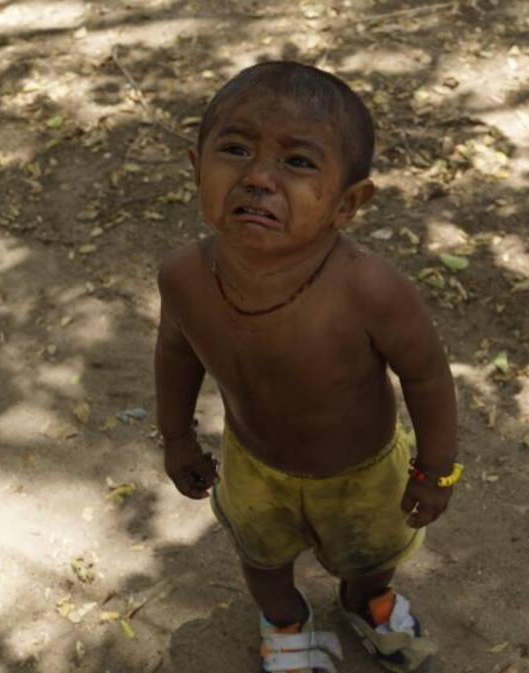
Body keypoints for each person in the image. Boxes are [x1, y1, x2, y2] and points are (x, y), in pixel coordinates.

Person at [154, 61, 460, 673]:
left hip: (363, 472)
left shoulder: (372, 290)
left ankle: (366, 601)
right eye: (235, 149)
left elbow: (427, 376)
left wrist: (436, 471)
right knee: (262, 560)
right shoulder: (185, 276)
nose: (259, 178)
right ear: (196, 168)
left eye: (297, 163)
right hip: (253, 465)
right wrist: (178, 438)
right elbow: (176, 351)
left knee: (372, 555)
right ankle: (286, 622)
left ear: (347, 203)